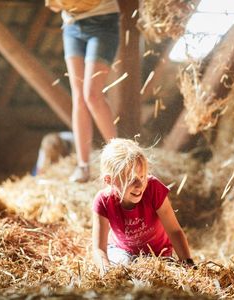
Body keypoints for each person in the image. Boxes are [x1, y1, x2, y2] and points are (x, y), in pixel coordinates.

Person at [92, 138, 194, 274]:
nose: (139, 185)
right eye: (130, 179)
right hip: (122, 251)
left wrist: (188, 264)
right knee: (123, 268)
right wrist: (106, 273)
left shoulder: (153, 188)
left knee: (161, 275)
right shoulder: (103, 201)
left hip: (158, 254)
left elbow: (174, 231)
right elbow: (99, 249)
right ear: (109, 180)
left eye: (142, 177)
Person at [47, 0, 120, 183]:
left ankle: (121, 160)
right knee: (79, 98)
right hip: (72, 26)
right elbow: (53, 5)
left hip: (103, 22)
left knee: (92, 95)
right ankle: (83, 166)